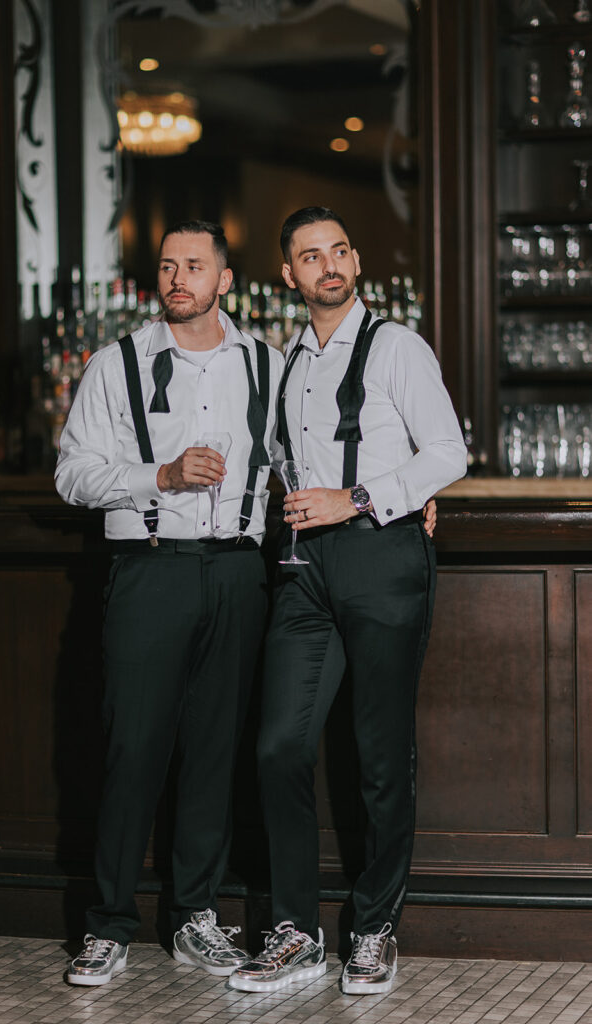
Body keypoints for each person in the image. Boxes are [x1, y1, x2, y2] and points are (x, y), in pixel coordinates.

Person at [229, 207, 467, 997]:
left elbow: (447, 451)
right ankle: (294, 931)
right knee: (278, 746)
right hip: (304, 567)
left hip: (381, 557)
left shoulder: (397, 346)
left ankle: (373, 928)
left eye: (337, 251)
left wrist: (364, 497)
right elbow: (276, 456)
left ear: (356, 262)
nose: (327, 265)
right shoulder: (285, 360)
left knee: (378, 752)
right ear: (288, 275)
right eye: (309, 256)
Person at [55, 220, 285, 985]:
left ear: (225, 279)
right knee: (133, 747)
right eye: (165, 266)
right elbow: (72, 474)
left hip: (238, 573)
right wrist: (159, 476)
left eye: (193, 265)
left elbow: (310, 455)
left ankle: (195, 917)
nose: (177, 278)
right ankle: (108, 925)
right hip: (149, 571)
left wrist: (406, 494)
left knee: (215, 752)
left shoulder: (268, 363)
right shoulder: (116, 363)